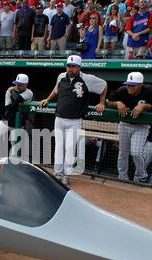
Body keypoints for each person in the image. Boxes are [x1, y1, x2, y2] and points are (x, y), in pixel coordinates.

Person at [39, 55, 107, 187]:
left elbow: (104, 85)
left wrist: (102, 102)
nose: (70, 69)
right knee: (59, 147)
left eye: (73, 66)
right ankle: (58, 173)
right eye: (68, 66)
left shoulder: (86, 79)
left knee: (70, 148)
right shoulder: (61, 77)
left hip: (75, 120)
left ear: (79, 67)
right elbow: (56, 89)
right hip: (59, 118)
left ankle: (66, 175)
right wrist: (48, 99)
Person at [106, 71, 152, 182]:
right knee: (123, 153)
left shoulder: (149, 90)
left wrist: (145, 106)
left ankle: (140, 174)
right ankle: (122, 177)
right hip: (125, 125)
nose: (129, 87)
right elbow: (108, 102)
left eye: (133, 85)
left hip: (142, 126)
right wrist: (117, 103)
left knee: (136, 152)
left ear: (141, 85)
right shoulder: (122, 91)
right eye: (128, 84)